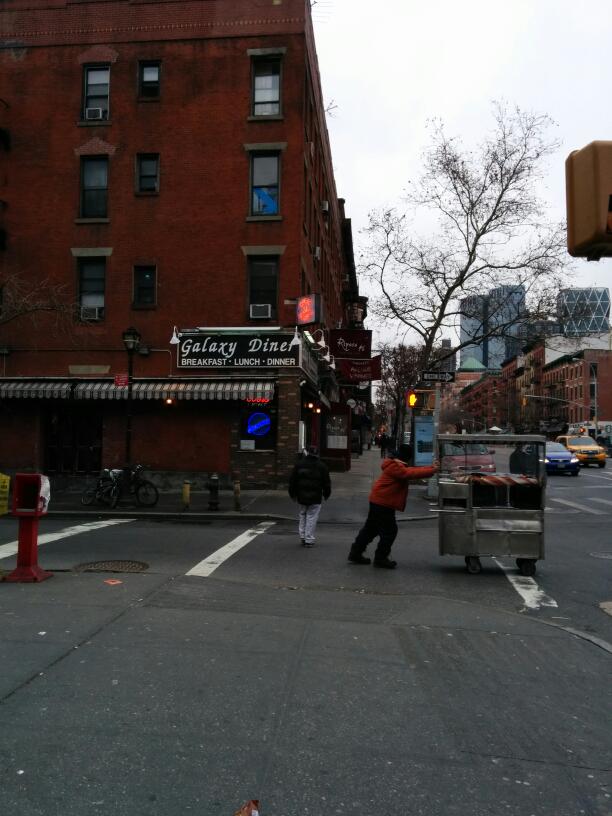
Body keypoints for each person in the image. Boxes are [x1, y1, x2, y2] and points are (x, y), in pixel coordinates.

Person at [348, 446, 437, 568]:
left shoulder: (396, 463)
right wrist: (432, 470)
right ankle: (381, 558)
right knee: (390, 531)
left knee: (371, 529)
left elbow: (410, 470)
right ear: (406, 457)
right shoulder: (396, 466)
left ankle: (356, 552)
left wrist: (432, 468)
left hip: (378, 501)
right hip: (383, 503)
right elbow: (409, 473)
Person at [288, 445, 331, 547]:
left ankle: (302, 536)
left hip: (301, 495)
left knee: (303, 514)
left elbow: (292, 481)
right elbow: (326, 483)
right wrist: (326, 494)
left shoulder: (299, 465)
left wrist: (292, 494)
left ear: (308, 452)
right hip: (315, 496)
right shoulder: (322, 466)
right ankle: (309, 539)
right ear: (317, 454)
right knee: (312, 516)